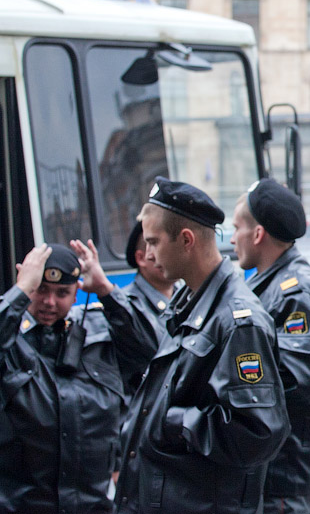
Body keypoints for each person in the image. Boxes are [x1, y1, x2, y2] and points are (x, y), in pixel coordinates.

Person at [114, 177, 289, 514]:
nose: (147, 254)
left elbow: (258, 432)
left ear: (186, 240)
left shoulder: (238, 320)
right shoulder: (189, 303)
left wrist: (174, 421)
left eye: (153, 242)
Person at [231, 178, 310, 514]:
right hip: (276, 462)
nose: (232, 238)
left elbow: (298, 379)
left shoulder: (295, 291)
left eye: (237, 227)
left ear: (257, 235)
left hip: (284, 467)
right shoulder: (275, 284)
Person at [0, 243, 130, 513]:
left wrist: (106, 289)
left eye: (62, 293)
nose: (49, 302)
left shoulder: (98, 335)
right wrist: (20, 292)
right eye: (41, 289)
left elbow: (151, 347)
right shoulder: (9, 339)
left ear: (76, 295)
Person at [73, 222, 178, 397]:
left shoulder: (187, 297)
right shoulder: (120, 307)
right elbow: (157, 350)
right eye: (158, 246)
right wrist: (106, 291)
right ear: (141, 258)